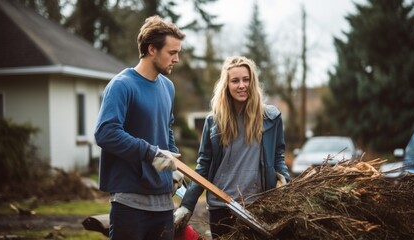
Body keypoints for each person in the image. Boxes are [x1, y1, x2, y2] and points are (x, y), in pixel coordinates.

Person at [173, 56, 291, 239]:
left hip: (257, 206)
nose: (242, 85)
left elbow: (278, 157)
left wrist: (285, 181)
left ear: (253, 82)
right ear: (226, 85)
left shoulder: (270, 118)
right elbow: (203, 167)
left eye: (246, 79)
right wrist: (187, 205)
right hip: (222, 207)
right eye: (235, 80)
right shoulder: (214, 122)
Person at [94, 15, 186, 240]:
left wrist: (173, 164)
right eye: (172, 53)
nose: (176, 59)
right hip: (130, 202)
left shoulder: (168, 87)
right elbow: (105, 133)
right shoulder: (122, 85)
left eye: (178, 53)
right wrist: (152, 153)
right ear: (152, 49)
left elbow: (166, 129)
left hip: (164, 203)